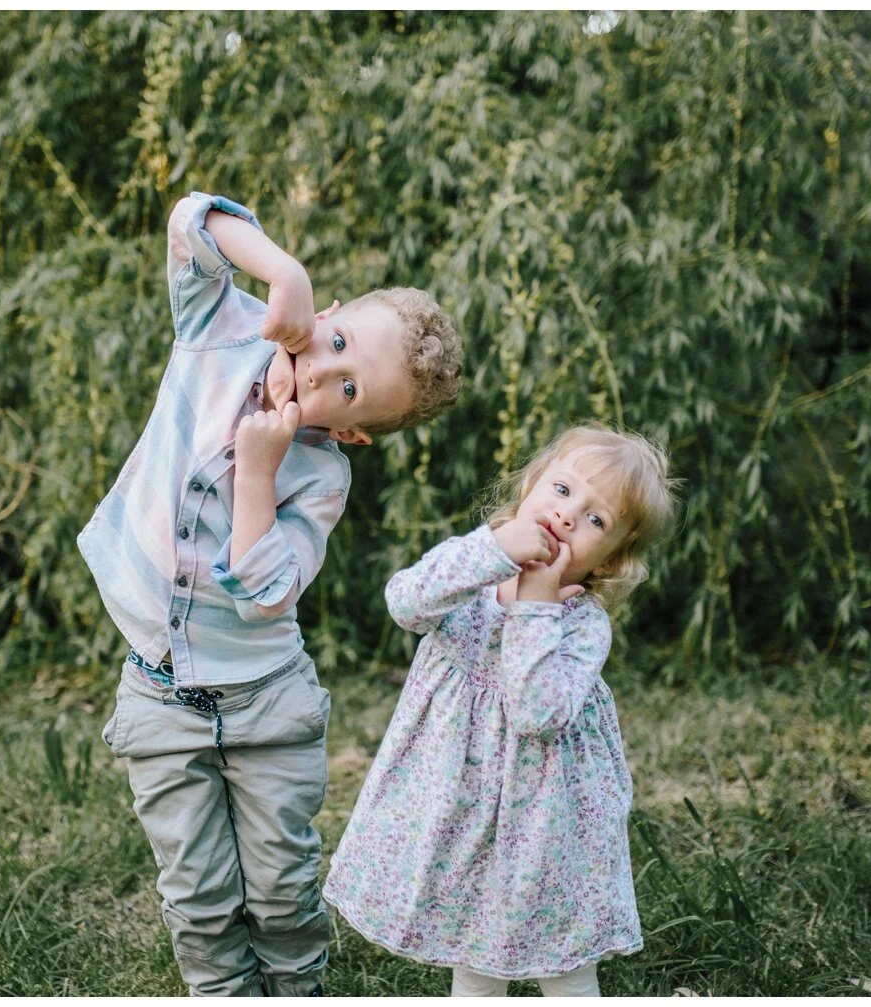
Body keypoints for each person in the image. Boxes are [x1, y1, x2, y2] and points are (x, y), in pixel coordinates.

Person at [78, 191, 463, 996]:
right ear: (327, 311)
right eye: (337, 342)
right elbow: (191, 222)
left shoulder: (320, 474)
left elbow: (268, 592)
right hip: (160, 693)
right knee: (199, 893)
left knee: (281, 888)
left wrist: (258, 472)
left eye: (348, 389)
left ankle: (296, 986)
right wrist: (283, 270)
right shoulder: (224, 327)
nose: (322, 369)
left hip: (266, 705)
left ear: (351, 431)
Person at [323, 422, 679, 997]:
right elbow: (404, 602)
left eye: (596, 520)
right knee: (474, 947)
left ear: (609, 560)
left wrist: (535, 607)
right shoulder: (473, 574)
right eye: (562, 490)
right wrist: (490, 552)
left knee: (563, 967)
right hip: (458, 804)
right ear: (530, 486)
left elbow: (537, 713)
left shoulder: (582, 625)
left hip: (544, 822)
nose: (568, 515)